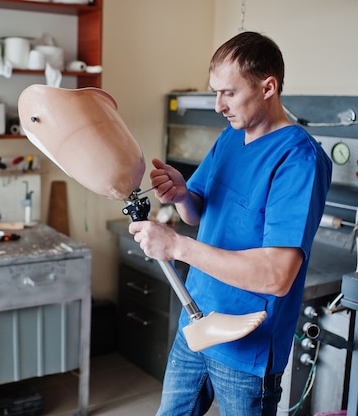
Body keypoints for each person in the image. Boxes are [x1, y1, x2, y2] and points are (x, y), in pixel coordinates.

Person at [128, 31, 332, 415]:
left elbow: (277, 276)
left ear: (268, 86)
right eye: (214, 92)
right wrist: (182, 195)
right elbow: (200, 211)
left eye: (229, 93)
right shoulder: (229, 138)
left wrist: (176, 246)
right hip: (198, 322)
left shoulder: (299, 160)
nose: (218, 105)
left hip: (247, 345)